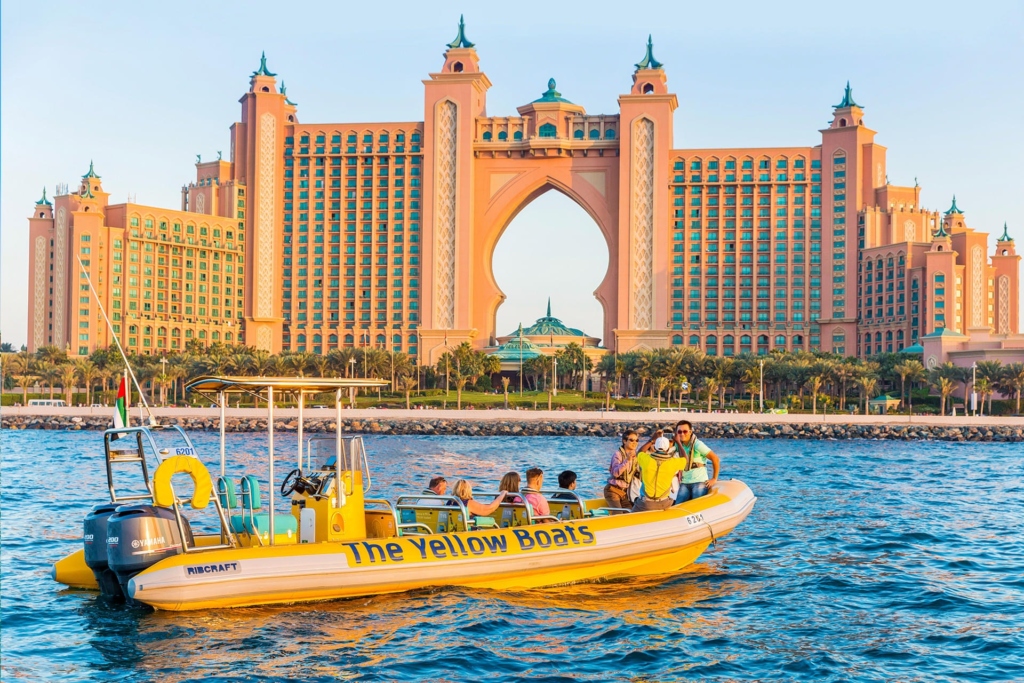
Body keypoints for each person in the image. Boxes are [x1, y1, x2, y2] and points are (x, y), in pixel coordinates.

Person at [632, 436, 688, 512]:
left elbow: (639, 452)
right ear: (668, 449)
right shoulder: (673, 462)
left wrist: (651, 441)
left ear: (654, 448)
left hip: (645, 504)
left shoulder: (646, 459)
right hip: (664, 503)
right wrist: (678, 442)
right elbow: (685, 459)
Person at [670, 420, 721, 504]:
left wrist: (714, 478)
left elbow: (715, 459)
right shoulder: (677, 445)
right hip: (684, 482)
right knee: (677, 504)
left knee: (696, 504)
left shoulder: (697, 444)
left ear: (690, 432)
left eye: (685, 431)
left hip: (699, 481)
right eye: (679, 432)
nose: (682, 434)